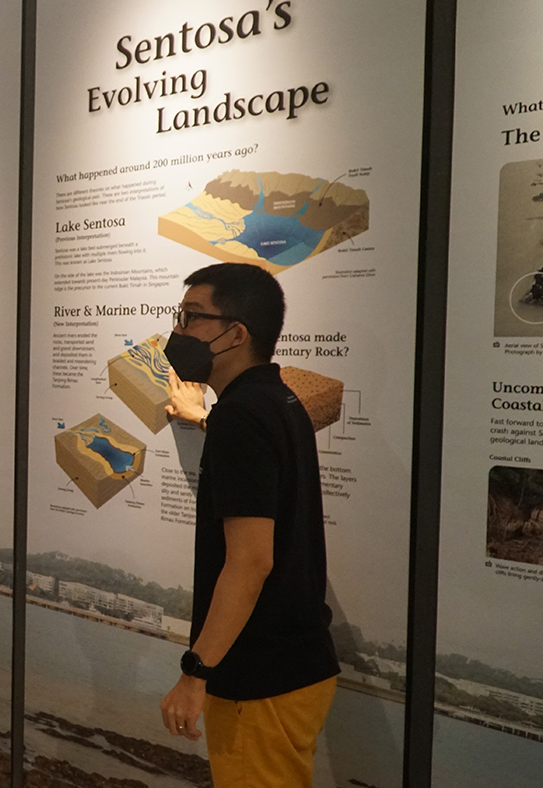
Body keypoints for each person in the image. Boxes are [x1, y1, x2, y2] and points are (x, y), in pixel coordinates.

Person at [159, 263, 338, 787]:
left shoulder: (242, 416)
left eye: (192, 317)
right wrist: (203, 419)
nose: (178, 331)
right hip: (296, 663)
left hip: (259, 675)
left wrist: (196, 673)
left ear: (235, 333)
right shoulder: (275, 400)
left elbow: (251, 560)